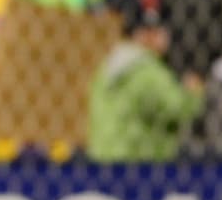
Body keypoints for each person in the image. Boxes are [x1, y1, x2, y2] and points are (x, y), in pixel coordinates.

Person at [87, 10, 203, 162]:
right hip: (139, 163)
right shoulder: (148, 70)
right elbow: (177, 109)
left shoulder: (106, 68)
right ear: (149, 35)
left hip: (102, 158)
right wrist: (193, 93)